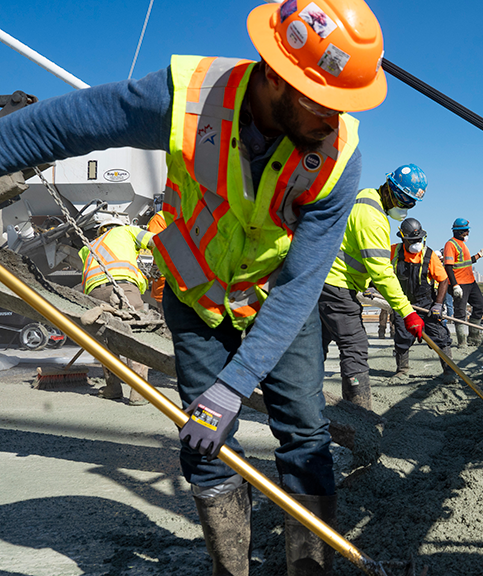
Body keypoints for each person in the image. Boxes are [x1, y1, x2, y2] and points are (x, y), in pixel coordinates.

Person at [0, 0, 388, 573]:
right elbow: (65, 123)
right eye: (322, 102)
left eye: (342, 105)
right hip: (195, 293)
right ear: (278, 76)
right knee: (204, 446)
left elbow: (303, 282)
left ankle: (309, 568)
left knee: (305, 436)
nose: (333, 119)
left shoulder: (339, 158)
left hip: (275, 301)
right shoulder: (186, 99)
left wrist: (233, 388)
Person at [319, 164, 427, 410]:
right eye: (404, 201)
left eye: (411, 204)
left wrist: (365, 284)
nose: (405, 208)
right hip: (337, 286)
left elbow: (354, 252)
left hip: (323, 281)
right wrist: (407, 311)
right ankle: (360, 414)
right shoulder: (374, 219)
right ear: (390, 188)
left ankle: (305, 395)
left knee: (317, 345)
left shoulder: (364, 196)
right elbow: (381, 270)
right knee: (355, 347)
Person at [79, 221, 154, 406]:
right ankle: (138, 392)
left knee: (106, 339)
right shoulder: (127, 231)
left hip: (95, 293)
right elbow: (156, 241)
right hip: (123, 287)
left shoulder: (88, 246)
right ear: (118, 225)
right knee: (135, 334)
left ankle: (112, 388)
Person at [390, 218, 455, 381]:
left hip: (426, 303)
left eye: (419, 240)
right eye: (413, 240)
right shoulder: (393, 252)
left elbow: (444, 280)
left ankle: (449, 371)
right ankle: (402, 371)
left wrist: (438, 304)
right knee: (402, 336)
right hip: (403, 302)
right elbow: (377, 268)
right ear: (403, 239)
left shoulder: (429, 255)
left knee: (440, 336)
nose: (417, 243)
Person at [444, 218, 483, 347]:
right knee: (460, 312)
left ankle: (473, 336)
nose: (467, 233)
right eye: (465, 231)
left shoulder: (462, 244)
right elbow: (448, 266)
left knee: (480, 304)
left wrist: (479, 255)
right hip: (459, 283)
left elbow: (466, 262)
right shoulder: (450, 244)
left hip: (470, 281)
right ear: (458, 231)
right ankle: (462, 341)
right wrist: (455, 285)